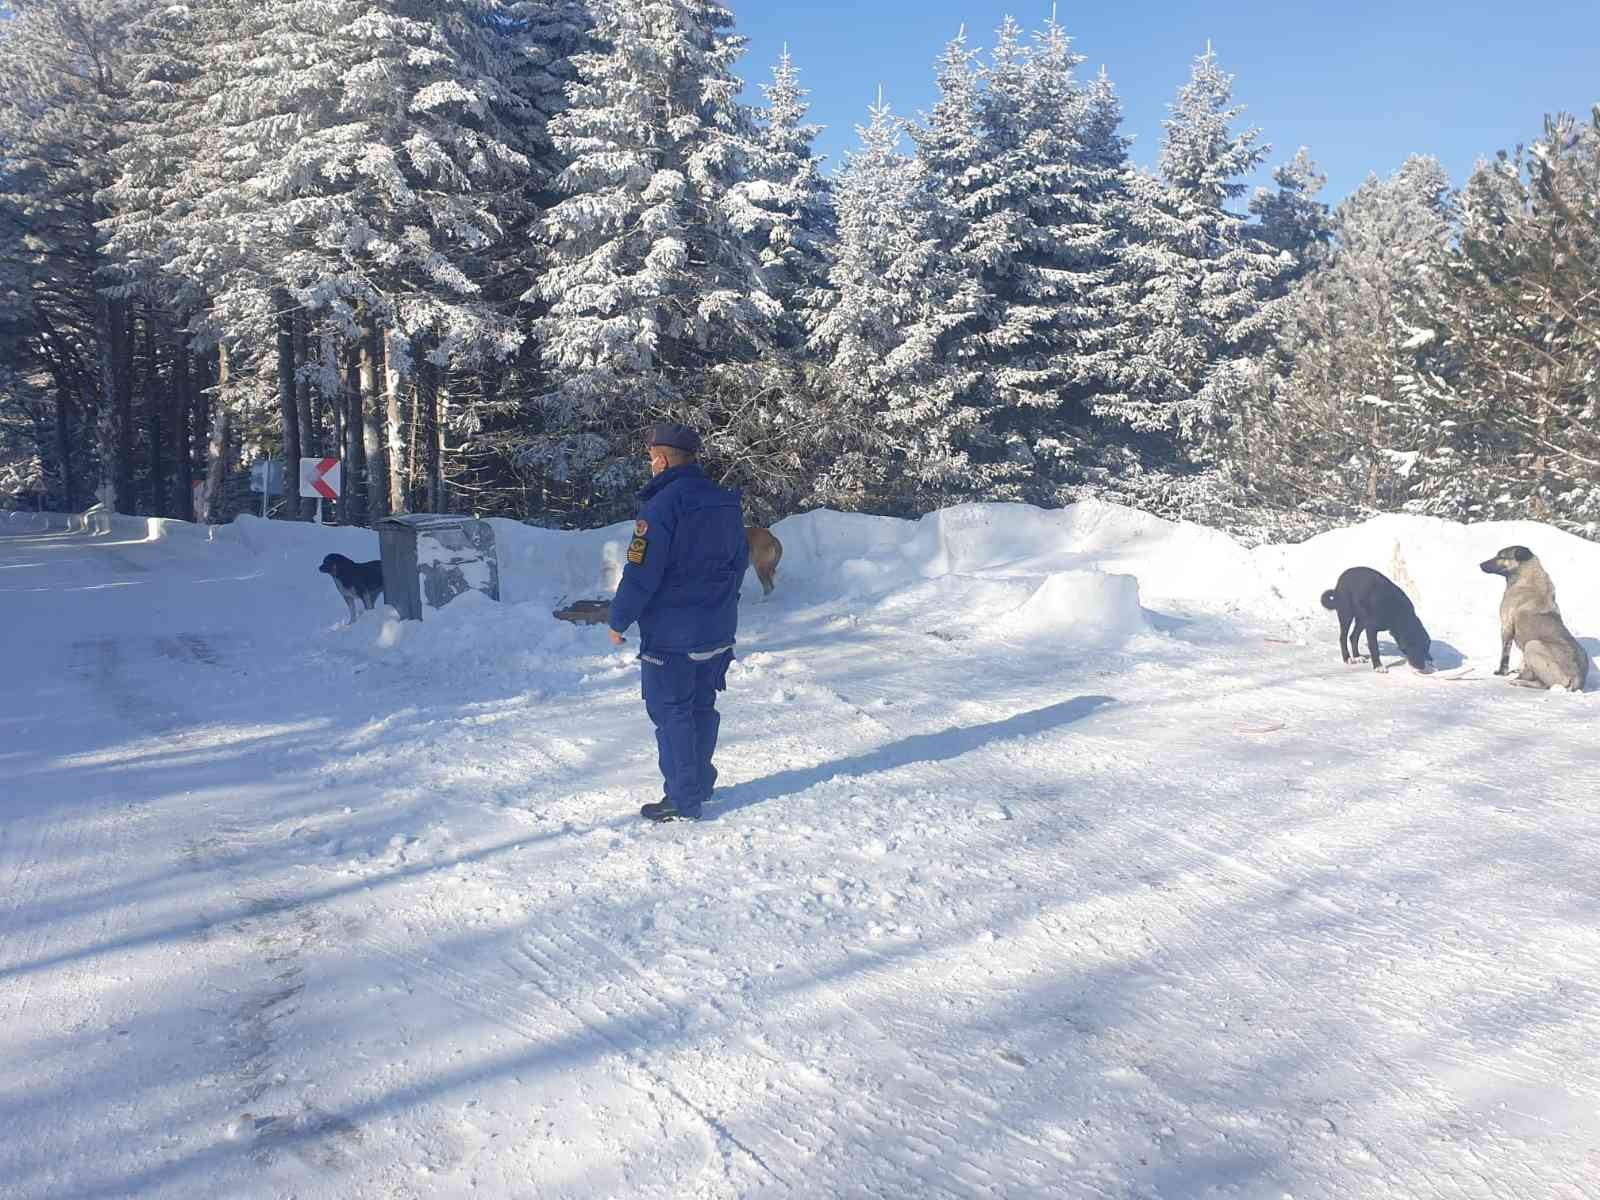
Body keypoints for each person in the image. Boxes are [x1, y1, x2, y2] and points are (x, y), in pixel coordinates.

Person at [607, 422, 750, 822]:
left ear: (663, 459)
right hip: (718, 629)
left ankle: (684, 799)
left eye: (652, 457)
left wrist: (619, 620)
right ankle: (700, 784)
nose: (651, 464)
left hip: (672, 637)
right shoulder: (724, 500)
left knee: (672, 714)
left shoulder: (661, 506)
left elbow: (640, 573)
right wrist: (722, 608)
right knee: (702, 707)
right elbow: (739, 562)